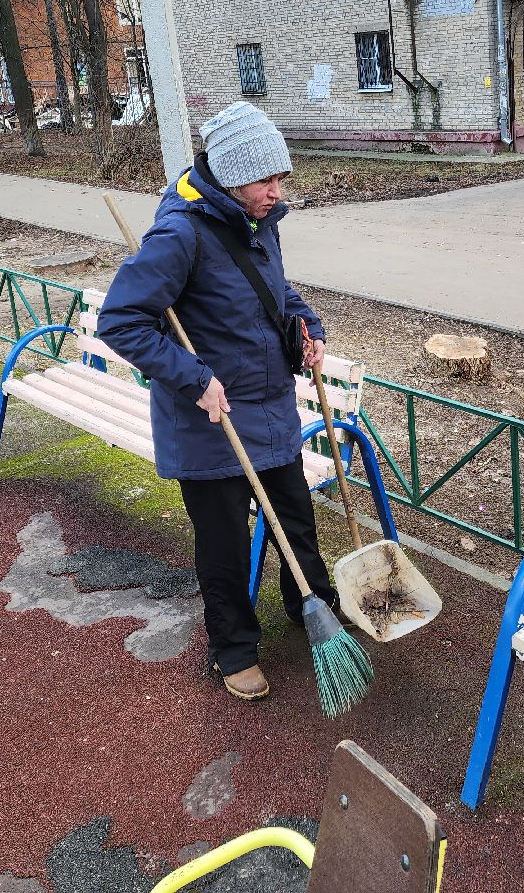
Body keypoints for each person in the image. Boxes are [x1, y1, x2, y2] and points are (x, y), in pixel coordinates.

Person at [97, 101, 338, 702]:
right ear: (231, 177)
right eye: (266, 180)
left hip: (270, 401)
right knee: (224, 543)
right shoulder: (178, 234)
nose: (276, 192)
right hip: (210, 417)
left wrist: (307, 326)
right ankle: (233, 648)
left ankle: (316, 612)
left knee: (295, 519)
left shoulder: (258, 219)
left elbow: (274, 288)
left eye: (281, 178)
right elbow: (122, 321)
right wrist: (193, 377)